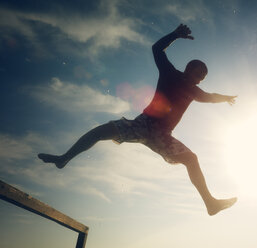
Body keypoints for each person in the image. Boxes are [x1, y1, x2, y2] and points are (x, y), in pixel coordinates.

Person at [38, 24, 237, 216]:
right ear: (189, 68)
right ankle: (64, 158)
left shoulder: (195, 91)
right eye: (199, 72)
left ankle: (210, 203)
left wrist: (225, 98)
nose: (201, 77)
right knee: (100, 132)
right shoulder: (170, 73)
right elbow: (157, 49)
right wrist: (175, 35)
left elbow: (210, 97)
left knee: (191, 159)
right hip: (143, 124)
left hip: (162, 136)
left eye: (203, 76)